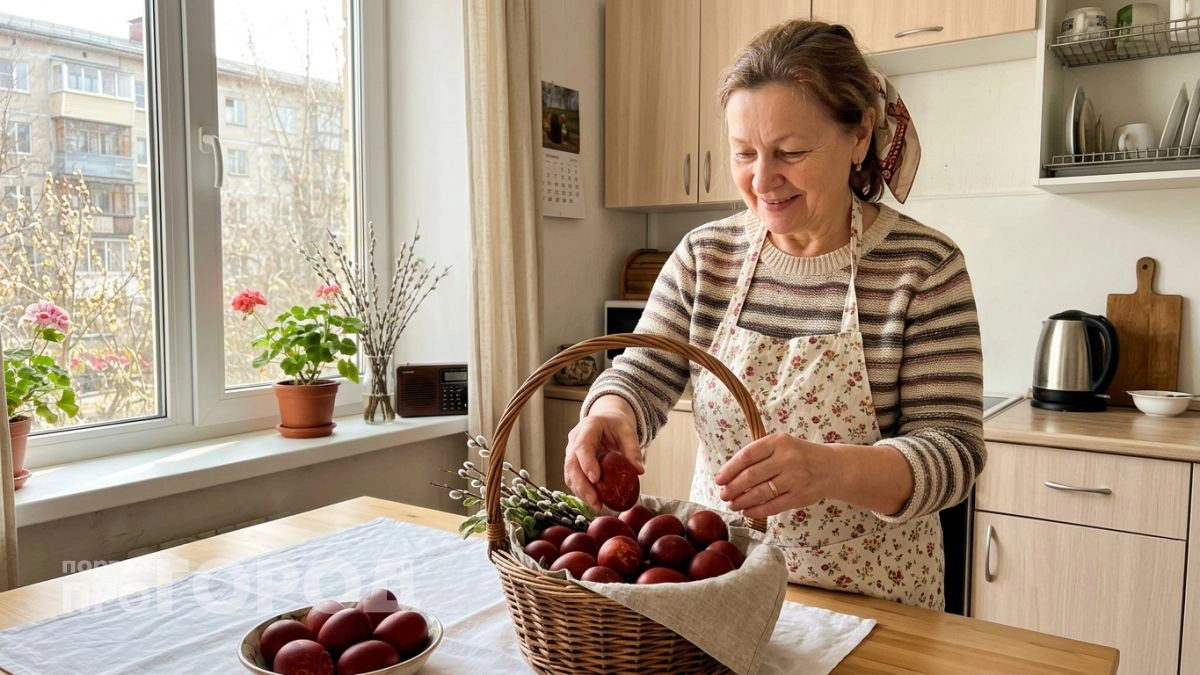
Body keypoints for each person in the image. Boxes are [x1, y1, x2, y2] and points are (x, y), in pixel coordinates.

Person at [564, 19, 984, 611]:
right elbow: (641, 373)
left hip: (875, 601)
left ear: (859, 134)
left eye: (790, 152)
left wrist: (831, 470)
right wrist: (610, 413)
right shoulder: (705, 257)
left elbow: (955, 454)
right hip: (717, 586)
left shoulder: (924, 267)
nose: (762, 180)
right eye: (744, 154)